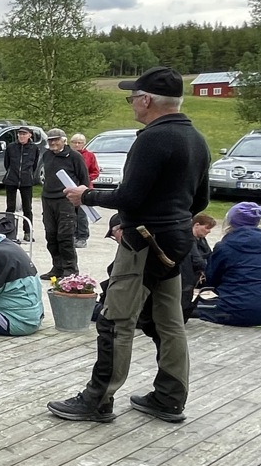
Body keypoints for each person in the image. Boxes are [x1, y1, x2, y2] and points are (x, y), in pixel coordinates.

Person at [48, 67, 210, 424]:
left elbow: (130, 197)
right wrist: (168, 218)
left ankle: (98, 399)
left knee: (115, 321)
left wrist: (85, 195)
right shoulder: (196, 138)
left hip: (144, 243)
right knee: (169, 322)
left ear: (147, 100)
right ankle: (170, 398)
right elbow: (200, 201)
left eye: (133, 97)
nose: (132, 103)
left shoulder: (152, 139)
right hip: (176, 242)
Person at [196, 203, 261, 326]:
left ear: (230, 222)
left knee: (190, 309)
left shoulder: (224, 247)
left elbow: (212, 280)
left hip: (236, 311)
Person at [37, 128, 89, 281]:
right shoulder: (47, 155)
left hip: (66, 201)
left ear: (63, 140)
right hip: (48, 199)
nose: (53, 143)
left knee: (65, 236)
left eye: (56, 140)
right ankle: (57, 267)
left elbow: (84, 180)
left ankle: (70, 270)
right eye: (50, 140)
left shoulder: (74, 156)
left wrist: (80, 198)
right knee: (51, 235)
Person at [2, 127, 39, 241]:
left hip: (26, 180)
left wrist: (28, 174)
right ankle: (10, 232)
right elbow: (6, 163)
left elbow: (35, 164)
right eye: (20, 134)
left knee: (27, 207)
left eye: (24, 134)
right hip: (11, 179)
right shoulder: (11, 147)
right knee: (10, 207)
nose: (22, 136)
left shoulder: (34, 148)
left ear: (29, 135)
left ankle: (28, 232)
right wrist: (12, 172)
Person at [180, 212, 217, 319]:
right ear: (197, 225)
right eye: (207, 228)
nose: (209, 231)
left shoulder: (201, 240)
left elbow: (209, 255)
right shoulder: (189, 240)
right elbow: (197, 260)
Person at [69, 133, 100, 247]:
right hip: (71, 188)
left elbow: (95, 171)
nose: (77, 145)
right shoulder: (68, 155)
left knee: (82, 215)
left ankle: (82, 237)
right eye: (74, 142)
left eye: (79, 143)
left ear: (84, 144)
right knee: (71, 214)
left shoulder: (89, 156)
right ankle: (72, 235)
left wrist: (85, 179)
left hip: (84, 188)